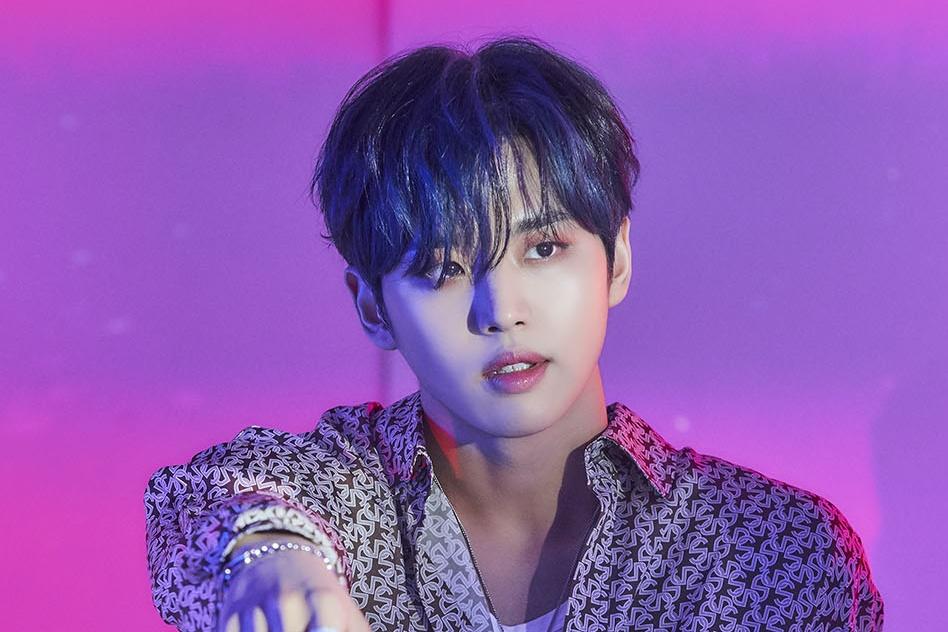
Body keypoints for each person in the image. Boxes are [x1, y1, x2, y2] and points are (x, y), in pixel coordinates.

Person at [144, 37, 884, 632]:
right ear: (372, 307)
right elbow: (214, 494)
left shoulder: (768, 550)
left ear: (617, 258)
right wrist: (274, 557)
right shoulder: (346, 500)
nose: (501, 310)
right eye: (442, 269)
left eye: (544, 248)